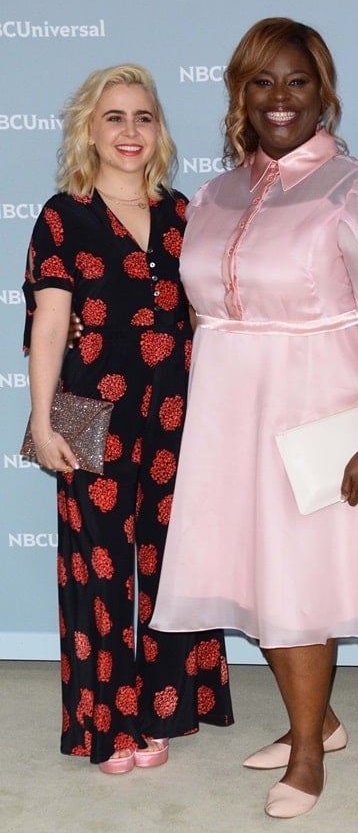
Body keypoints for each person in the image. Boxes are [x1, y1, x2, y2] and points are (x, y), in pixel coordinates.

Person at [150, 18, 358, 818]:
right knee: (258, 575)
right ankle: (322, 721)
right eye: (261, 83)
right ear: (239, 96)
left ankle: (309, 753)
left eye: (297, 81)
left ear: (324, 92)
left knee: (300, 581)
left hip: (319, 409)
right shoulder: (216, 193)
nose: (280, 99)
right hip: (227, 414)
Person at [23, 64, 233, 774]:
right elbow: (49, 324)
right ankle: (105, 724)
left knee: (173, 563)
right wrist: (43, 419)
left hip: (176, 408)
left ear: (159, 130)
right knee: (99, 569)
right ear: (90, 128)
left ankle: (161, 708)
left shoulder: (183, 214)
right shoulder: (64, 214)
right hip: (88, 408)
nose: (130, 131)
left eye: (143, 117)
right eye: (114, 117)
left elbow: (206, 318)